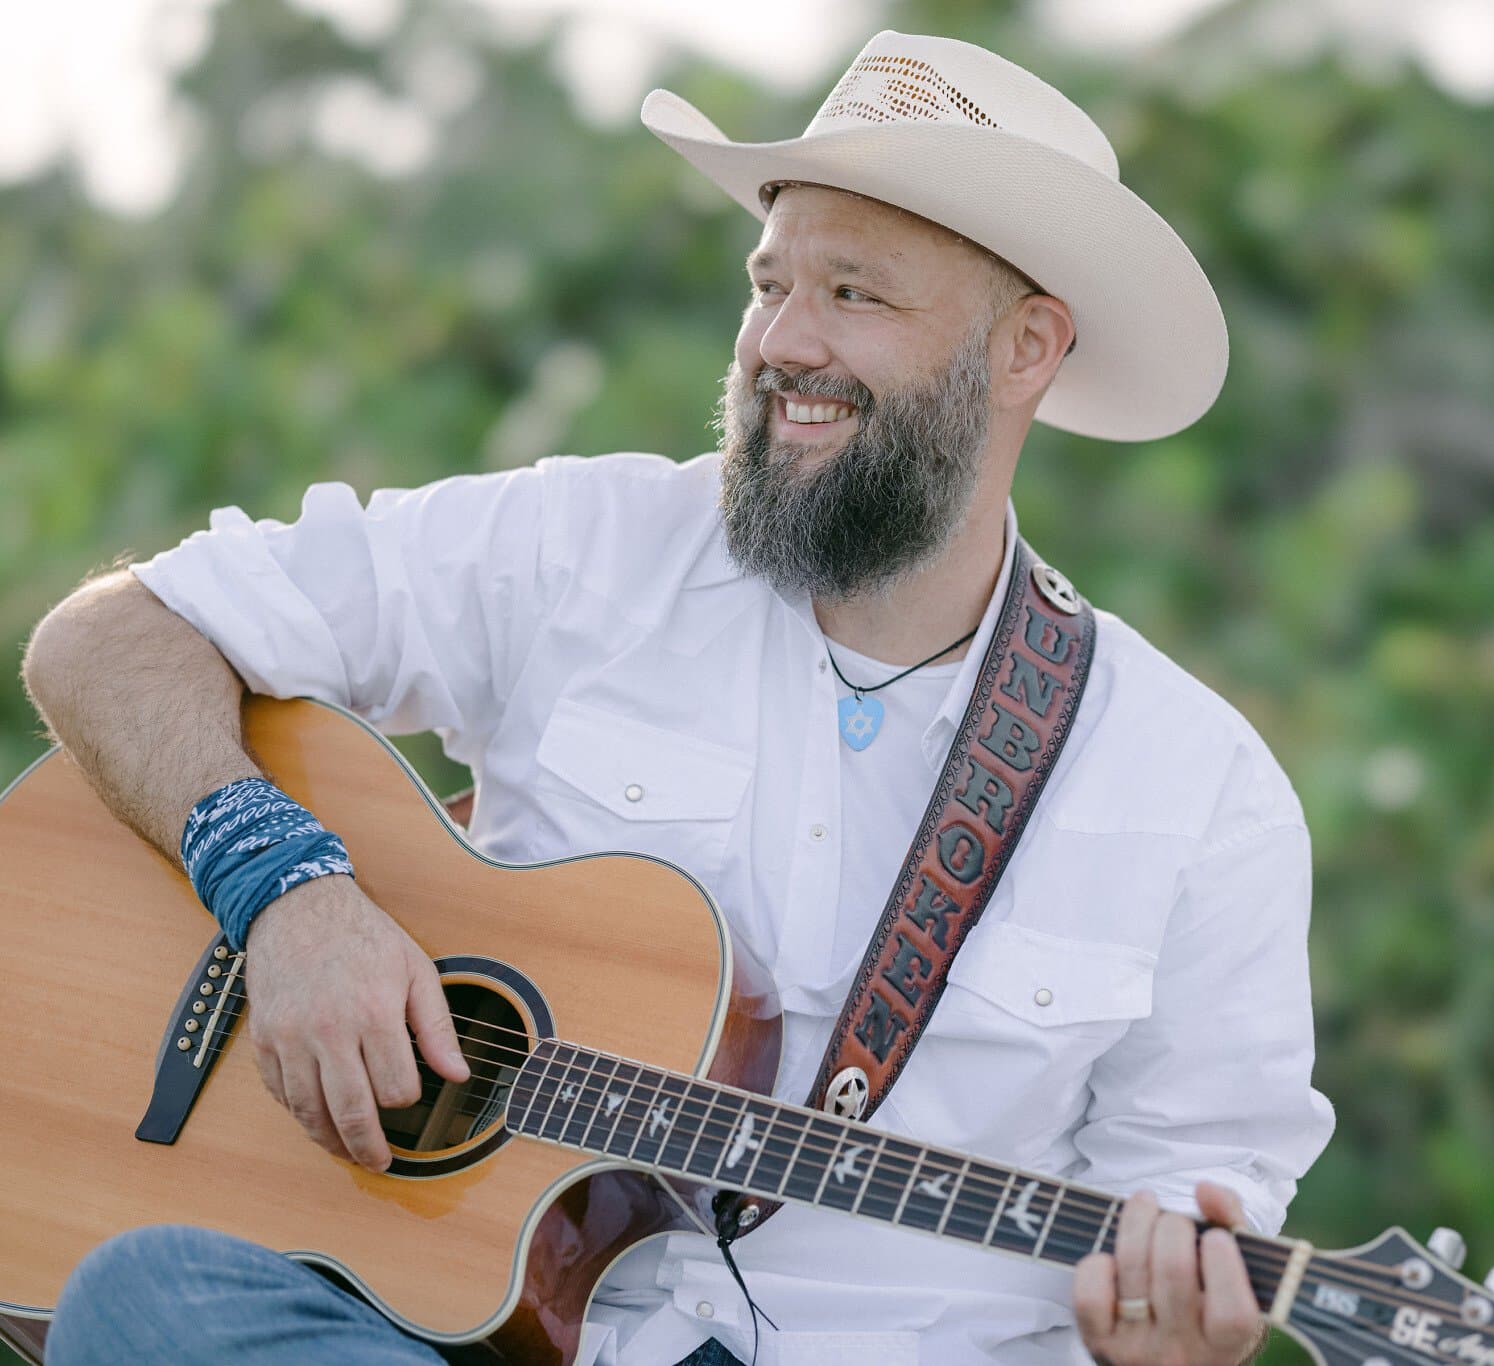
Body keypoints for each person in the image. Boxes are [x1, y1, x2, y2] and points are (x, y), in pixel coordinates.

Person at [21, 30, 1332, 1366]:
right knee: (149, 1297)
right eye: (771, 284)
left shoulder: (1197, 789)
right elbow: (108, 640)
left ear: (1027, 349)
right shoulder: (580, 549)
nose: (783, 341)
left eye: (854, 294)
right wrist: (287, 895)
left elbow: (1194, 1183)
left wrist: (1168, 1337)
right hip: (473, 1341)